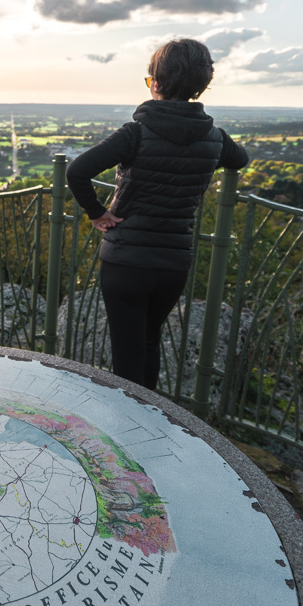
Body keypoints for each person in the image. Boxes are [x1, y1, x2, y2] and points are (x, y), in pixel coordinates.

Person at [66, 38, 248, 390]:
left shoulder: (136, 133)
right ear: (202, 85)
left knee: (126, 353)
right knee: (149, 343)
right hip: (173, 263)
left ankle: (128, 432)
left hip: (126, 259)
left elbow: (77, 172)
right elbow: (239, 160)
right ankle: (150, 423)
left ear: (157, 84)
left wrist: (97, 214)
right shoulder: (215, 137)